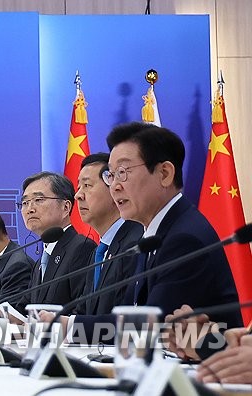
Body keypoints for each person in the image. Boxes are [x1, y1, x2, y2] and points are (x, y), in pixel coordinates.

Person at [44, 123, 240, 342]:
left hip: (215, 372)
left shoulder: (184, 238)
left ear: (164, 174)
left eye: (123, 172)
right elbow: (128, 316)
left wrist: (67, 326)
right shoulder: (153, 235)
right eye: (111, 175)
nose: (115, 186)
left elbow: (147, 327)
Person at [71, 153, 143, 315]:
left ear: (114, 188)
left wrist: (68, 325)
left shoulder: (135, 244)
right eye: (78, 187)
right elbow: (84, 310)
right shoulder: (98, 252)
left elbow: (126, 317)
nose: (78, 195)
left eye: (87, 186)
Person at [20, 172, 97, 306]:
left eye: (38, 200)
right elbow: (25, 307)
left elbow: (81, 310)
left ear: (66, 207)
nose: (29, 209)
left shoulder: (81, 248)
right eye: (25, 202)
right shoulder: (41, 261)